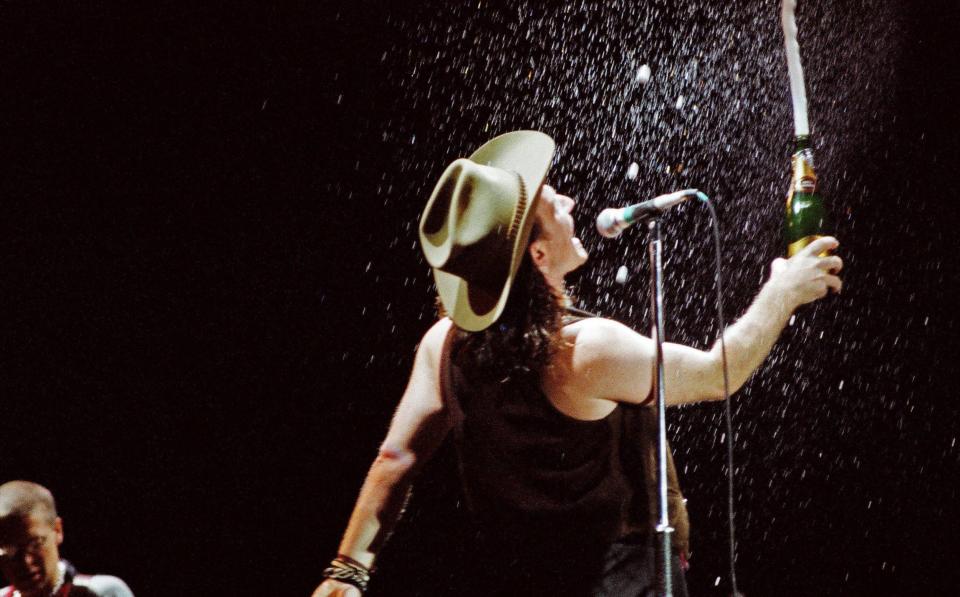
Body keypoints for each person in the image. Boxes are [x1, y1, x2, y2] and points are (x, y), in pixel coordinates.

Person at [312, 131, 842, 596]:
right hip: (620, 582)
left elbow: (395, 459)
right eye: (551, 204)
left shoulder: (445, 344)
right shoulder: (582, 353)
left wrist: (347, 571)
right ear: (538, 257)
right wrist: (783, 292)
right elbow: (715, 375)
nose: (567, 200)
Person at [0, 481, 134, 597]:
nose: (25, 562)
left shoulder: (99, 591)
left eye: (35, 544)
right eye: (10, 550)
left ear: (58, 530)